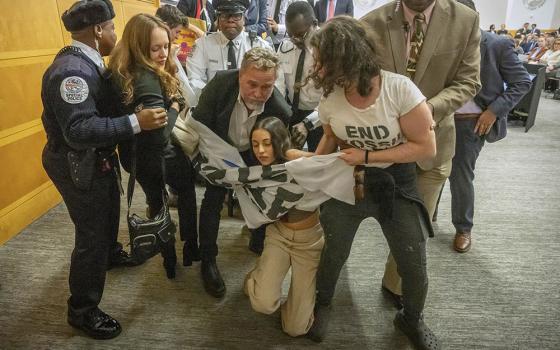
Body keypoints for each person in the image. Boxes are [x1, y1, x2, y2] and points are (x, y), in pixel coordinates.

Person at [305, 17, 439, 350]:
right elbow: (331, 137)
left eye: (324, 60)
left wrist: (367, 155)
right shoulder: (332, 98)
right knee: (334, 250)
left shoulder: (399, 90)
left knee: (412, 259)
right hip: (348, 181)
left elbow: (426, 147)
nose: (317, 67)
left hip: (396, 182)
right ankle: (323, 303)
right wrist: (312, 169)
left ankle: (411, 319)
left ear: (346, 58)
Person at [41, 0, 166, 339]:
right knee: (91, 235)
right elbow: (78, 131)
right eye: (111, 28)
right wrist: (136, 123)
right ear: (98, 31)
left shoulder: (89, 62)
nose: (114, 33)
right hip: (76, 162)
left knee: (108, 211)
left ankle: (110, 255)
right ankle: (82, 310)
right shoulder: (73, 73)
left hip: (96, 159)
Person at [361, 0, 481, 310]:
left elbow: (469, 81)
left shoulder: (465, 20)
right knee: (382, 219)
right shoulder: (371, 22)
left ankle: (395, 286)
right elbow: (360, 79)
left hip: (435, 145)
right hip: (384, 148)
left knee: (414, 230)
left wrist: (424, 110)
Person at [192, 48, 291, 298]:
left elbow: (276, 150)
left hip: (254, 154)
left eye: (266, 87)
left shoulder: (280, 110)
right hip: (218, 147)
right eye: (252, 85)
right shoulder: (219, 85)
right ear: (240, 76)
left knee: (260, 195)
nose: (258, 94)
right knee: (212, 200)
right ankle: (208, 260)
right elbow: (201, 124)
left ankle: (257, 236)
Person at [107, 13, 186, 279]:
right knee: (168, 199)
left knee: (156, 201)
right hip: (152, 157)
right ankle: (172, 258)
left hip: (131, 155)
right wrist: (175, 106)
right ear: (140, 47)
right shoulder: (146, 79)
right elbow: (161, 135)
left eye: (166, 46)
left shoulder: (121, 69)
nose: (164, 53)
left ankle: (169, 260)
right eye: (156, 48)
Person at [449, 0, 531, 253]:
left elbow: (522, 83)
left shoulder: (497, 44)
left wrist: (493, 111)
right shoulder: (444, 42)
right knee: (431, 171)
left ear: (474, 15)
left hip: (472, 123)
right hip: (439, 118)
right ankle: (426, 217)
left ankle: (463, 227)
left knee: (460, 177)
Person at [244, 117, 324, 337]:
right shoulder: (258, 169)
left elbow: (325, 163)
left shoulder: (293, 158)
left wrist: (292, 154)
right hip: (278, 235)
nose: (260, 150)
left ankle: (302, 302)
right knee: (263, 304)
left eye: (267, 143)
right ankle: (257, 277)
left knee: (295, 328)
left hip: (309, 242)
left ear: (279, 142)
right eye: (255, 143)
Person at [155, 4, 203, 268]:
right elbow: (189, 98)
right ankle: (189, 247)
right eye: (174, 33)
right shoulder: (163, 61)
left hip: (136, 150)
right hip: (163, 143)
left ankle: (167, 257)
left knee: (155, 197)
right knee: (185, 187)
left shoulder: (128, 59)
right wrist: (173, 62)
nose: (175, 40)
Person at [187, 0, 272, 98]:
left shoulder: (260, 47)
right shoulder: (202, 45)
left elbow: (270, 83)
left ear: (244, 19)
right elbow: (195, 80)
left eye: (236, 16)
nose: (230, 20)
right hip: (212, 105)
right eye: (225, 15)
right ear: (218, 19)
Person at [276, 1, 323, 151]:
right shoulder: (285, 48)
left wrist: (308, 123)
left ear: (314, 24)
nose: (295, 40)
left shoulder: (328, 50)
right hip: (292, 112)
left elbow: (334, 96)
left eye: (301, 35)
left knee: (319, 163)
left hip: (321, 116)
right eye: (291, 35)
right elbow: (279, 86)